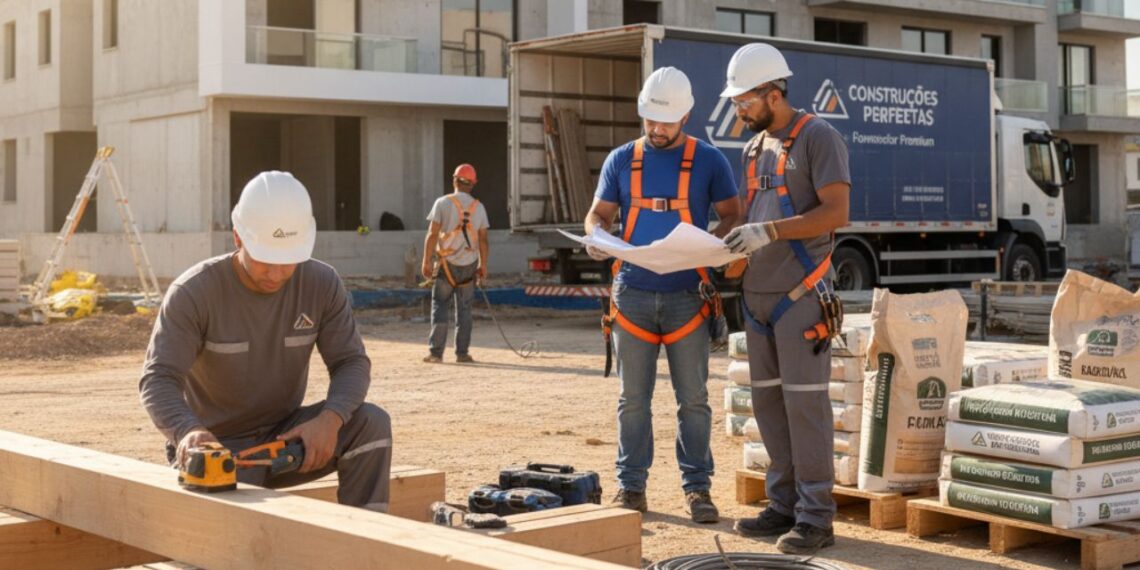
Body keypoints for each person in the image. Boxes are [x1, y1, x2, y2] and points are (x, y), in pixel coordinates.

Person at [139, 171, 392, 512]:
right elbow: (159, 378)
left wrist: (330, 420)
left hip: (287, 441)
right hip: (218, 449)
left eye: (287, 261)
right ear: (238, 237)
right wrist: (188, 432)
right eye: (265, 260)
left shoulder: (322, 284)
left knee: (371, 424)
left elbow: (351, 362)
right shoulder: (195, 292)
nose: (276, 274)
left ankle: (369, 544)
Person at [584, 67, 741, 523]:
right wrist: (595, 234)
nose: (656, 130)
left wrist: (711, 243)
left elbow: (733, 215)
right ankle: (631, 488)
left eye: (665, 123)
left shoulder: (710, 161)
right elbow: (598, 214)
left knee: (693, 399)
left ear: (686, 116)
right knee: (633, 399)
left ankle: (698, 490)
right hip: (632, 292)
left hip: (687, 296)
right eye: (650, 121)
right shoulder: (621, 160)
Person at [720, 43, 851, 554]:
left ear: (773, 94)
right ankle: (782, 505)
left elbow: (836, 211)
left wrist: (768, 231)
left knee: (805, 407)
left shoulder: (819, 137)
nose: (738, 111)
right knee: (770, 405)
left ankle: (816, 517)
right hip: (756, 297)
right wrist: (721, 247)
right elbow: (747, 218)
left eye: (744, 101)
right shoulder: (755, 148)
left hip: (800, 295)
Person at [421, 164, 490, 364]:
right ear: (473, 184)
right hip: (469, 265)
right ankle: (462, 353)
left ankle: (436, 353)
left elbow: (432, 234)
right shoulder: (479, 207)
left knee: (440, 305)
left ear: (455, 180)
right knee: (465, 309)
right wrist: (483, 265)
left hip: (445, 264)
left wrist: (426, 260)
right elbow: (484, 240)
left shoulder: (442, 203)